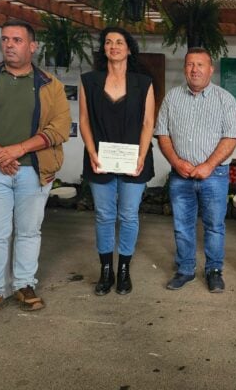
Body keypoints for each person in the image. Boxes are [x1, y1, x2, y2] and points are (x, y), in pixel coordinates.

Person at [0, 19, 71, 322]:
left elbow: (60, 128)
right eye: (5, 39)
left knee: (28, 231)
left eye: (17, 40)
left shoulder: (50, 85)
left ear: (32, 47)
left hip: (34, 169)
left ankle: (24, 284)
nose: (9, 45)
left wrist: (18, 150)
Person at [79, 27, 155, 296]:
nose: (114, 46)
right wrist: (90, 151)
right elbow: (85, 121)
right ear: (104, 49)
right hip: (100, 160)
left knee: (128, 215)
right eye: (108, 42)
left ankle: (123, 269)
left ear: (129, 48)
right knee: (104, 216)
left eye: (119, 42)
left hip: (134, 161)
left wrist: (142, 155)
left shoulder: (143, 82)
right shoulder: (89, 81)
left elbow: (148, 123)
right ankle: (105, 271)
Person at [156, 47, 236, 294]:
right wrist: (176, 162)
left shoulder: (225, 99)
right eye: (190, 65)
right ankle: (185, 269)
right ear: (185, 69)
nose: (195, 69)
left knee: (214, 226)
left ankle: (214, 271)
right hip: (180, 175)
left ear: (210, 69)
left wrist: (208, 165)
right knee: (182, 225)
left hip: (215, 176)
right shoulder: (172, 98)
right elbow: (162, 134)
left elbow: (231, 137)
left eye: (200, 65)